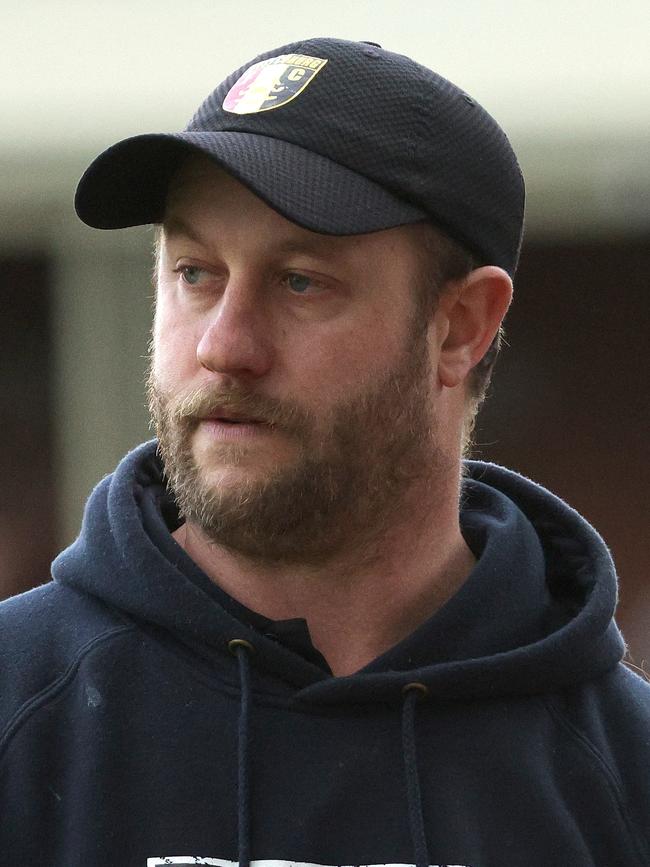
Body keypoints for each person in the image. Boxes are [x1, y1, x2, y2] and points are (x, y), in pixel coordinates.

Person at [0, 37, 648, 867]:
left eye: (301, 280)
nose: (224, 346)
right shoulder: (22, 714)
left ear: (460, 328)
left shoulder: (620, 779)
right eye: (195, 273)